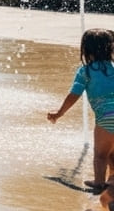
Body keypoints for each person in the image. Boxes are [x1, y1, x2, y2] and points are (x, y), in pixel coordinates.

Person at [48, 28, 114, 191]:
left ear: (85, 50)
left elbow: (73, 96)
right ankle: (112, 181)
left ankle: (99, 182)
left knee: (100, 154)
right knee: (112, 154)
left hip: (106, 118)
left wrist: (59, 113)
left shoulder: (85, 72)